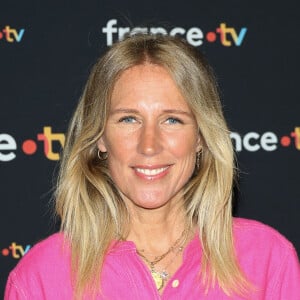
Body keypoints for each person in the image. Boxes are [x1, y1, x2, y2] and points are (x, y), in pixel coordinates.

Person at [5, 34, 300, 300]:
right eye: (128, 119)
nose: (149, 145)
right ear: (99, 138)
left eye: (172, 120)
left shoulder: (266, 260)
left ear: (200, 137)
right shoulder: (41, 277)